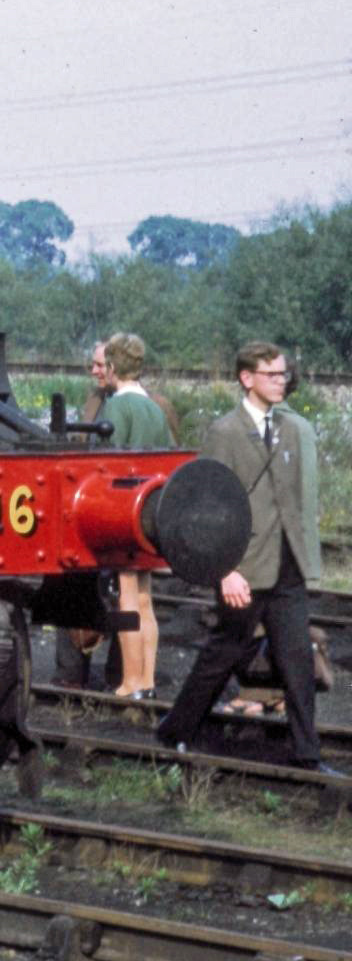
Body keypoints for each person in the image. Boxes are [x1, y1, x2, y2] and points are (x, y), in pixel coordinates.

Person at [154, 342, 346, 776]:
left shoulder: (288, 428)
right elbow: (207, 509)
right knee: (223, 652)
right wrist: (226, 572)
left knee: (297, 658)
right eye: (271, 374)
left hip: (286, 568)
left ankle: (306, 754)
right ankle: (176, 728)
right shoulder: (225, 432)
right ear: (247, 378)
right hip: (244, 568)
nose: (282, 380)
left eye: (282, 374)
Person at [94, 332, 172, 699]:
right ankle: (149, 680)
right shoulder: (155, 409)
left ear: (111, 367)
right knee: (145, 599)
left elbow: (104, 464)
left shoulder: (116, 408)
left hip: (126, 515)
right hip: (154, 515)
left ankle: (130, 681)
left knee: (126, 596)